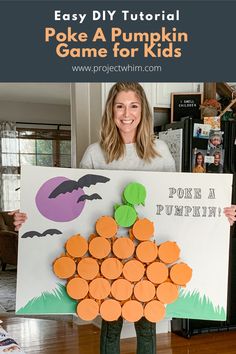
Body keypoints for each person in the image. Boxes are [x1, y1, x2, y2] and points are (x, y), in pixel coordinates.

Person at [10, 82, 236, 353]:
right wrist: (29, 218)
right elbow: (74, 208)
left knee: (147, 324)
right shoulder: (95, 153)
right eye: (120, 106)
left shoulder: (160, 152)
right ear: (111, 111)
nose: (126, 113)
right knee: (110, 325)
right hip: (106, 257)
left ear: (143, 111)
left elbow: (176, 207)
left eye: (133, 105)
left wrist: (217, 215)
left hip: (149, 256)